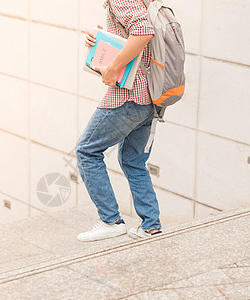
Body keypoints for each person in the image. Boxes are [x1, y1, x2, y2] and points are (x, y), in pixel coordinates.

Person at [75, 0, 162, 242]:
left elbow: (143, 32)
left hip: (128, 96)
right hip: (149, 98)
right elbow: (138, 35)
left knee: (86, 151)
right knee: (133, 161)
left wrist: (113, 67)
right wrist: (102, 37)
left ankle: (110, 221)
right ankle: (151, 226)